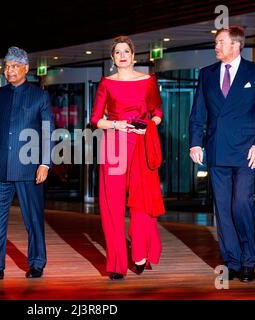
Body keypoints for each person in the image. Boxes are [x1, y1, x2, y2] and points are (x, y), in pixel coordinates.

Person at [189, 26, 255, 282]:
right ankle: (233, 262)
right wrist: (195, 143)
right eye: (216, 42)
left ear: (236, 45)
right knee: (223, 210)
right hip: (216, 151)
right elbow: (198, 115)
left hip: (247, 151)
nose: (216, 47)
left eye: (220, 42)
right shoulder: (206, 74)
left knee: (241, 204)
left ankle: (249, 260)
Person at [90, 36, 165, 280]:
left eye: (126, 51)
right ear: (113, 59)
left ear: (133, 56)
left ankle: (141, 251)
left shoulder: (148, 81)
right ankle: (116, 264)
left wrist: (148, 127)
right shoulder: (106, 84)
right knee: (111, 205)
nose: (122, 55)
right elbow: (95, 120)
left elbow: (158, 114)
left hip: (140, 144)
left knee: (141, 201)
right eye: (117, 52)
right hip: (113, 144)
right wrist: (115, 124)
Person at [0, 46, 54, 280]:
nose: (9, 71)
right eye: (6, 66)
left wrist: (45, 163)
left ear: (26, 69)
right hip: (0, 167)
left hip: (30, 167)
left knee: (33, 218)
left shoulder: (39, 95)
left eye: (14, 66)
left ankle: (37, 263)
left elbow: (47, 131)